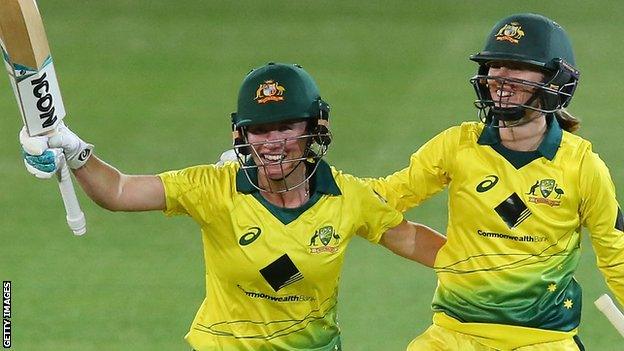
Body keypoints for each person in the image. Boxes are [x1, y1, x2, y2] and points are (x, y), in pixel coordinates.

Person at [19, 62, 446, 350]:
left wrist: (497, 266)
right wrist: (74, 149)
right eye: (259, 130)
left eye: (285, 126)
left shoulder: (348, 197)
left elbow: (410, 239)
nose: (272, 142)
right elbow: (119, 191)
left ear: (314, 127)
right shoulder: (214, 188)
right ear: (242, 136)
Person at [369, 13, 624, 351]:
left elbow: (616, 254)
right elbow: (384, 197)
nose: (499, 77)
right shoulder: (457, 145)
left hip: (543, 341)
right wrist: (323, 195)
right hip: (453, 336)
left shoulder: (583, 167)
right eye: (494, 66)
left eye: (516, 67)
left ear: (555, 81)